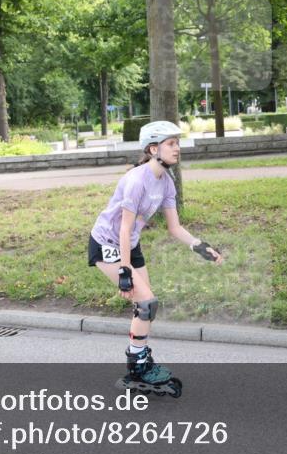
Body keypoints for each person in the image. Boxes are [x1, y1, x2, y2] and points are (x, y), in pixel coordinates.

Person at [88, 120, 224, 396]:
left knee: (146, 306)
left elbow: (174, 228)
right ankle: (137, 366)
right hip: (108, 243)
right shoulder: (137, 179)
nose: (177, 149)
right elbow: (123, 228)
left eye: (177, 143)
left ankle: (139, 358)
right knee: (146, 303)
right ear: (153, 148)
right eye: (171, 143)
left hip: (130, 244)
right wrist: (125, 271)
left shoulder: (166, 181)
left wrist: (200, 246)